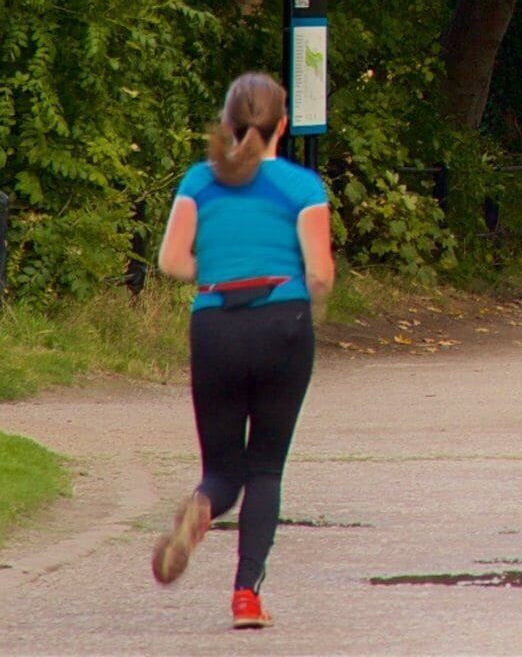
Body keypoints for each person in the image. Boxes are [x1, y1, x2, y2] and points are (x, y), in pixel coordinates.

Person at [151, 73, 333, 630]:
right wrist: (308, 302)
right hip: (283, 323)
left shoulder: (199, 181)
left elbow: (170, 261)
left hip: (216, 327)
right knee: (267, 469)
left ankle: (203, 505)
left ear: (227, 123)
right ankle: (246, 597)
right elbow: (320, 273)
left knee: (223, 470)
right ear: (283, 125)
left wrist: (221, 271)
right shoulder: (302, 187)